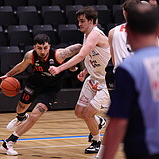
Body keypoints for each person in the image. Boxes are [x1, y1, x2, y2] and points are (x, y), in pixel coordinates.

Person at [0, 34, 82, 155]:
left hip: (51, 88)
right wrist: (8, 75)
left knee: (35, 115)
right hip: (35, 83)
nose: (42, 51)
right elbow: (21, 66)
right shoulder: (30, 55)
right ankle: (21, 117)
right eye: (39, 48)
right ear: (34, 47)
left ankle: (9, 142)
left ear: (49, 46)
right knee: (20, 108)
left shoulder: (59, 55)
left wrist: (92, 45)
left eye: (45, 48)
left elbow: (79, 47)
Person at [102, 5, 159, 159]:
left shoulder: (129, 69)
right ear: (158, 30)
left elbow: (118, 122)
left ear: (127, 31)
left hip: (145, 149)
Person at [49, 6, 111, 154]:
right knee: (79, 112)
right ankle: (99, 122)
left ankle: (96, 141)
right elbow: (93, 57)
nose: (80, 24)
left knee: (87, 113)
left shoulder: (95, 34)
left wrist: (59, 68)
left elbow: (81, 55)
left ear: (91, 21)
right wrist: (85, 70)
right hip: (93, 77)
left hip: (105, 82)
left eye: (82, 21)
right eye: (78, 21)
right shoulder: (87, 34)